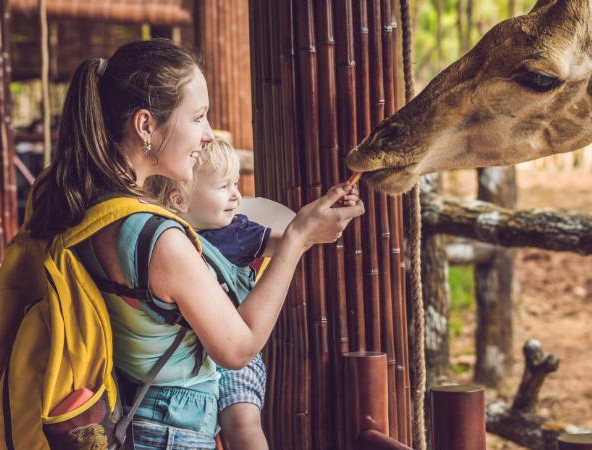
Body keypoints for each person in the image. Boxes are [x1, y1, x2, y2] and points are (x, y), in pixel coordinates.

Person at [27, 38, 363, 449]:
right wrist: (297, 238)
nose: (207, 135)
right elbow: (237, 347)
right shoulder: (157, 238)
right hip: (174, 431)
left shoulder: (82, 203)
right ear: (146, 124)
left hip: (134, 417)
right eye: (198, 117)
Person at [145, 138, 305, 449]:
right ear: (179, 201)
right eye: (223, 187)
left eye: (236, 184)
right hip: (194, 357)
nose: (236, 196)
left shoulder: (239, 231)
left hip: (235, 351)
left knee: (241, 423)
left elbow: (284, 242)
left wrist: (306, 230)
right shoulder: (167, 237)